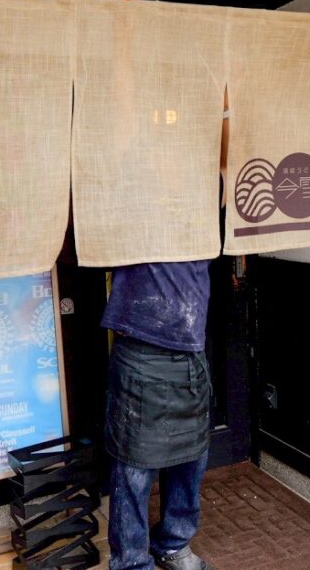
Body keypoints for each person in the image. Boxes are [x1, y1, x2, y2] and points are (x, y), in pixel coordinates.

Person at [101, 76, 228, 570]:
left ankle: (174, 544)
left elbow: (223, 161)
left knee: (192, 457)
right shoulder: (135, 199)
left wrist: (222, 104)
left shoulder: (203, 202)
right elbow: (119, 138)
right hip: (140, 348)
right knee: (133, 467)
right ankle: (131, 561)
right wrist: (126, 44)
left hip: (190, 351)